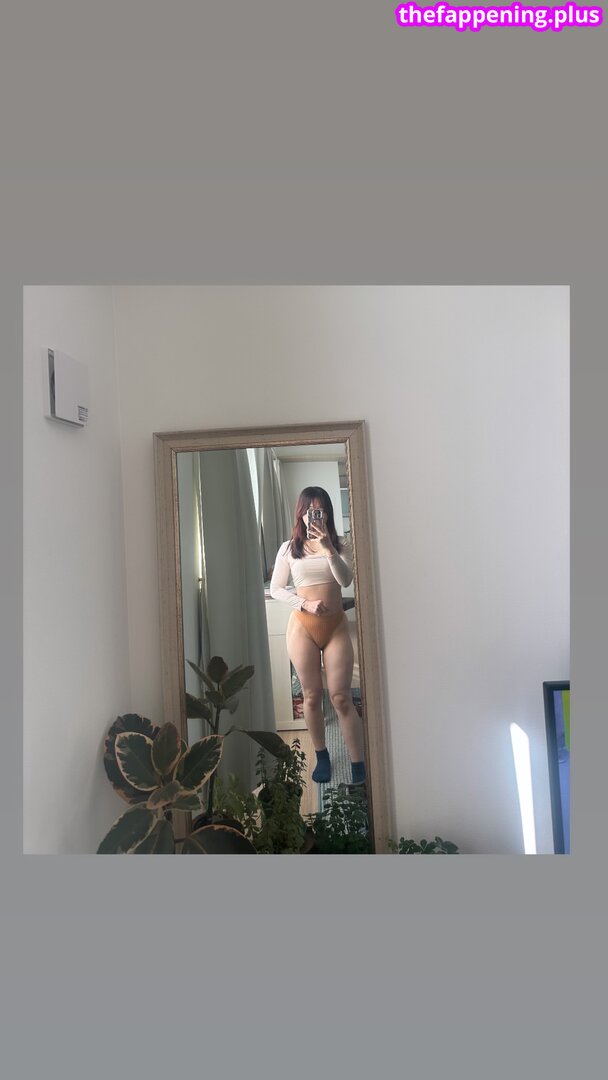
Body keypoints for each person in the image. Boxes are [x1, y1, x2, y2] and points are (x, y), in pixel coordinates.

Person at [269, 486, 366, 785]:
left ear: (327, 513)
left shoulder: (340, 544)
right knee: (311, 696)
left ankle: (358, 762)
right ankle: (322, 754)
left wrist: (328, 548)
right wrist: (304, 603)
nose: (315, 515)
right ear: (300, 513)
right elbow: (276, 589)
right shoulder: (288, 548)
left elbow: (346, 581)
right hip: (303, 627)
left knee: (341, 697)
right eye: (310, 510)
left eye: (320, 510)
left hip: (335, 626)